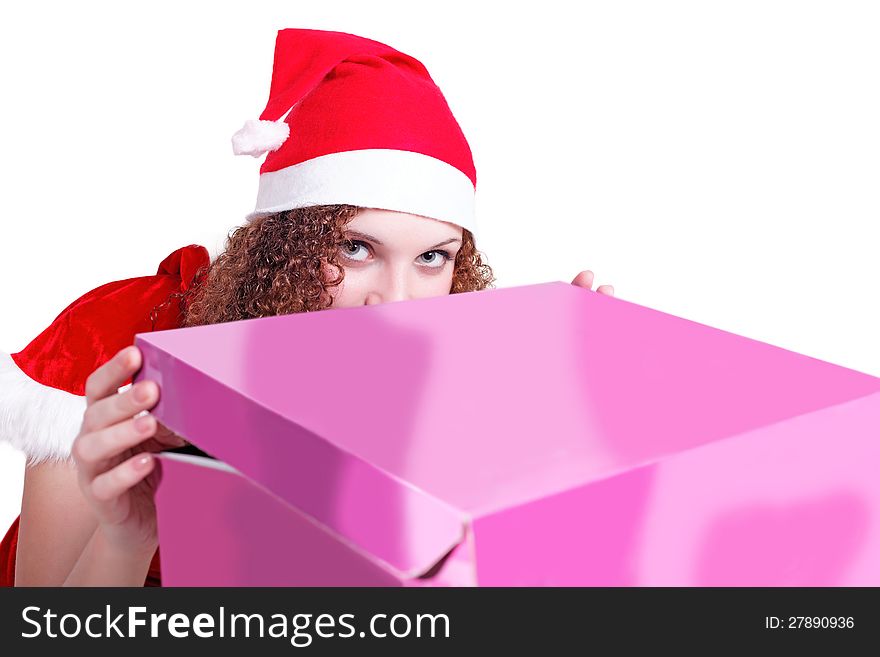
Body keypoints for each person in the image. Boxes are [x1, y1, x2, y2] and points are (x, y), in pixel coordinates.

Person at [0, 28, 614, 587]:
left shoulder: (444, 376)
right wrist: (128, 541)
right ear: (283, 246)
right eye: (356, 248)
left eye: (433, 258)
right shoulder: (124, 343)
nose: (395, 301)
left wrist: (564, 436)